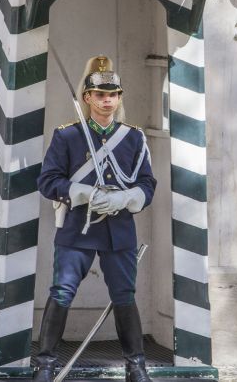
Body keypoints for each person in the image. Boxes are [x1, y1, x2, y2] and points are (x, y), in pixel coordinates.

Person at [35, 55, 157, 382]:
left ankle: (136, 366)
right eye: (100, 95)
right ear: (87, 98)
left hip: (119, 229)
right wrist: (86, 193)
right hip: (78, 226)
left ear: (119, 98)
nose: (107, 101)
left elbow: (147, 184)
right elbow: (48, 182)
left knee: (124, 295)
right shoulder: (68, 137)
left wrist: (125, 197)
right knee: (62, 291)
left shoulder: (133, 138)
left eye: (113, 95)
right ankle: (45, 365)